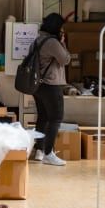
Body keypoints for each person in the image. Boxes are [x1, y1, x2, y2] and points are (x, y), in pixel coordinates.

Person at [30, 13, 72, 166]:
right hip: (51, 85)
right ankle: (49, 153)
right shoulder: (52, 42)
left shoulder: (37, 41)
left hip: (38, 86)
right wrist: (62, 43)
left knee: (43, 117)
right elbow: (66, 59)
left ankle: (40, 150)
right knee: (55, 118)